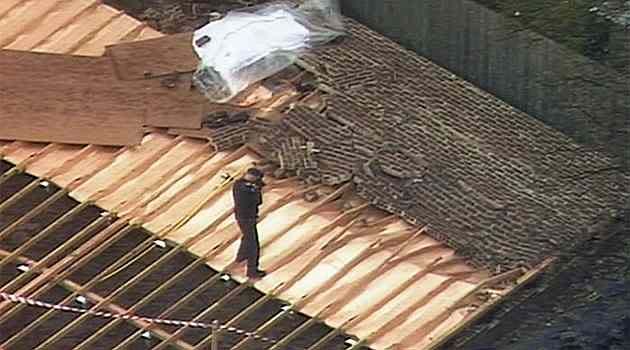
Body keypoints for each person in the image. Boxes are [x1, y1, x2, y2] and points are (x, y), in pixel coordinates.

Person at [233, 167, 267, 279]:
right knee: (253, 245)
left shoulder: (239, 184)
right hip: (246, 218)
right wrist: (256, 190)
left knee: (247, 238)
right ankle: (252, 271)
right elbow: (257, 200)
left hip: (245, 217)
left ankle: (241, 257)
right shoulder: (243, 187)